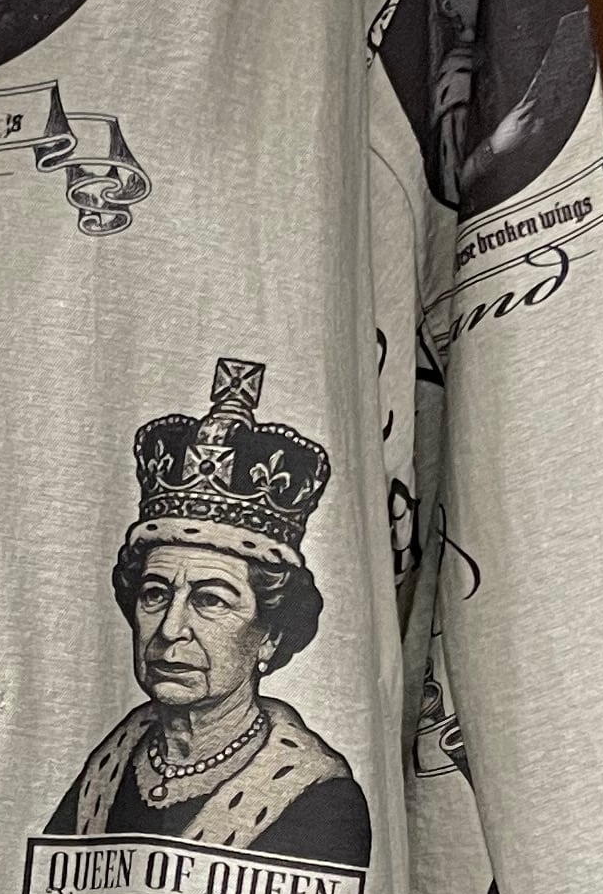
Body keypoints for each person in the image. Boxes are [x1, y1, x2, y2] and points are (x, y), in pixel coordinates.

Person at [45, 356, 368, 864]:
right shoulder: (111, 762)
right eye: (155, 594)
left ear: (270, 635)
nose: (171, 629)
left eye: (210, 599)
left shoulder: (318, 798)